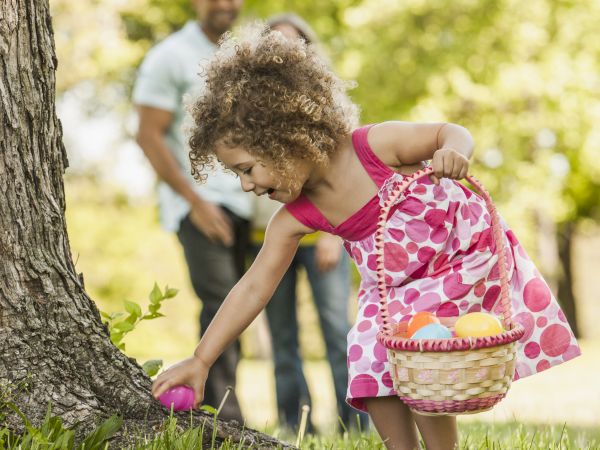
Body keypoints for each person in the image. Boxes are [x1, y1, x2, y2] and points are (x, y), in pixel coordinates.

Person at [152, 24, 581, 449]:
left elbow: (447, 132)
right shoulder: (294, 217)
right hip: (398, 290)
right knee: (369, 350)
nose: (246, 185)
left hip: (461, 258)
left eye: (247, 168)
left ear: (284, 137)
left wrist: (455, 151)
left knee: (418, 351)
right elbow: (252, 287)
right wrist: (202, 359)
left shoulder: (373, 146)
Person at [249, 13, 368, 432]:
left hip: (323, 235)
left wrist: (335, 234)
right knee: (283, 338)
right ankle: (294, 423)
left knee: (338, 330)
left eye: (293, 43)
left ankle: (354, 422)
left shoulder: (323, 102)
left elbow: (345, 171)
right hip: (268, 235)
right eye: (275, 43)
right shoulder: (246, 107)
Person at [133, 0, 249, 422]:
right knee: (220, 300)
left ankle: (226, 407)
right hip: (199, 205)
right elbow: (148, 136)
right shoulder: (170, 56)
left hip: (249, 202)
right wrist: (195, 202)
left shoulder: (243, 54)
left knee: (241, 307)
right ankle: (226, 416)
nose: (225, 4)